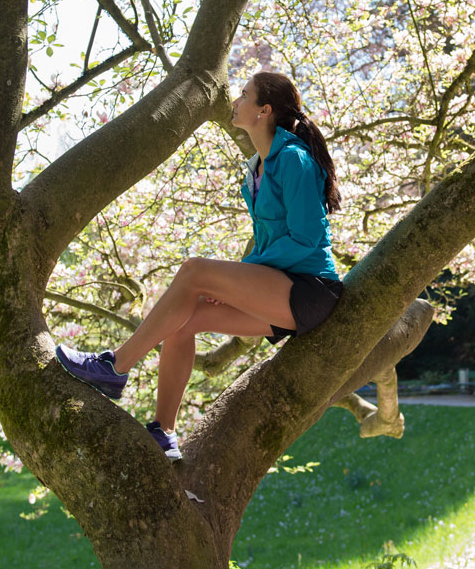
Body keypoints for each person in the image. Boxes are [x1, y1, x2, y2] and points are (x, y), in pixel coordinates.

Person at [55, 71, 343, 460]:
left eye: (244, 96)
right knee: (183, 319)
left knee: (195, 271)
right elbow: (268, 244)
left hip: (310, 291)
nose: (235, 102)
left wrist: (234, 276)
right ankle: (164, 432)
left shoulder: (293, 159)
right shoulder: (255, 170)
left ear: (264, 110)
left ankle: (115, 367)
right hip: (279, 289)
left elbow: (306, 239)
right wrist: (238, 279)